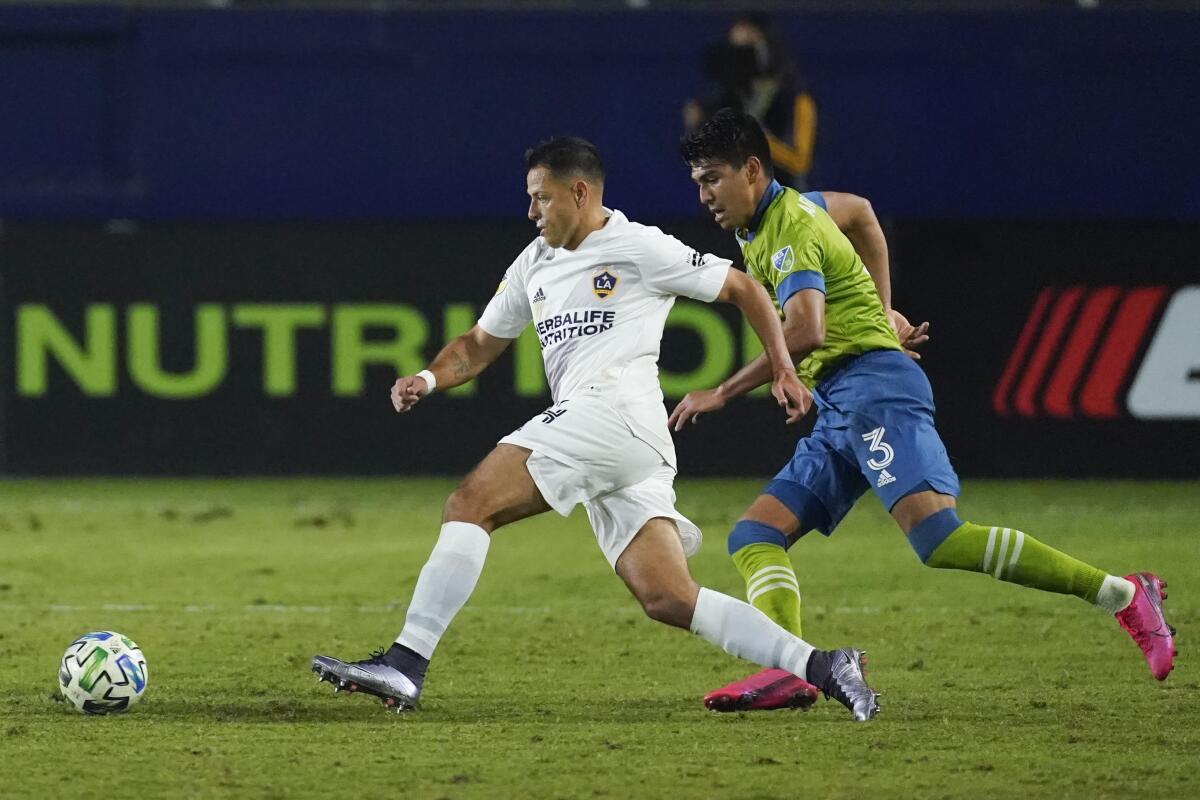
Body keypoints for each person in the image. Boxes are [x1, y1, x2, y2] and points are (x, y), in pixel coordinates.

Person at [311, 136, 880, 721]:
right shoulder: (534, 262)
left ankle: (405, 664)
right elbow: (478, 346)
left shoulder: (636, 245)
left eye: (541, 198)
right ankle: (825, 665)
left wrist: (782, 369)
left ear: (579, 193)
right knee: (667, 597)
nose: (532, 212)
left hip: (613, 413)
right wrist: (427, 379)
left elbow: (745, 288)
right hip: (630, 442)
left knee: (470, 502)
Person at [672, 108, 1177, 712]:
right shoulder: (791, 209)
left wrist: (722, 391)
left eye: (711, 179)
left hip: (875, 390)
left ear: (752, 170)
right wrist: (884, 309)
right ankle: (790, 668)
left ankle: (1123, 595)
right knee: (756, 534)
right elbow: (859, 210)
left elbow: (804, 329)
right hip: (842, 400)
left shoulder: (789, 229)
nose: (703, 195)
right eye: (698, 182)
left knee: (940, 539)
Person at [683, 14, 816, 189]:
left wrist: (758, 140)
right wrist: (698, 125)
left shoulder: (795, 99)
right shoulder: (728, 100)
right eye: (737, 54)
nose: (744, 62)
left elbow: (799, 161)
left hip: (784, 201)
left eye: (750, 51)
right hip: (738, 205)